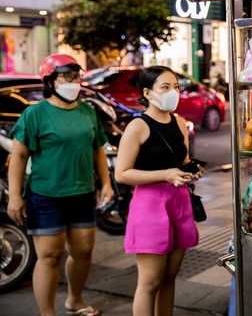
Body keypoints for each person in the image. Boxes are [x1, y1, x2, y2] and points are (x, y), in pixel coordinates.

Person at [6, 54, 113, 316]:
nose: (75, 81)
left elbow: (97, 149)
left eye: (77, 75)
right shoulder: (35, 113)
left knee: (84, 251)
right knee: (50, 257)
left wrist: (107, 184)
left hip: (82, 193)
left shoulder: (87, 111)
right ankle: (47, 313)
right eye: (68, 76)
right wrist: (15, 197)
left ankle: (74, 300)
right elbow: (19, 157)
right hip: (45, 195)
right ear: (50, 81)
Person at [114, 66, 203, 316]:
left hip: (180, 202)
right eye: (165, 87)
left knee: (169, 278)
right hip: (150, 206)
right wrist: (164, 175)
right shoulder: (138, 126)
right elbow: (122, 173)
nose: (173, 92)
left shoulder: (180, 122)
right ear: (148, 93)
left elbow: (182, 161)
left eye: (175, 87)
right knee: (150, 282)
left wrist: (192, 169)